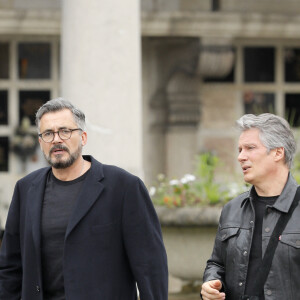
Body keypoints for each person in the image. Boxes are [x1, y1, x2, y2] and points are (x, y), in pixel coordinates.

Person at [0, 98, 168, 300]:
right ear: (40, 142)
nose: (56, 139)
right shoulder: (26, 189)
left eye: (65, 131)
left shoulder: (124, 187)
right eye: (48, 134)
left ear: (83, 137)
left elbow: (150, 266)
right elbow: (11, 266)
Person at [201, 113, 299, 300]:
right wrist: (211, 282)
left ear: (278, 153)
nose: (241, 157)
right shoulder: (232, 209)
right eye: (240, 150)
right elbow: (217, 263)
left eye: (250, 148)